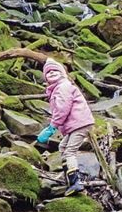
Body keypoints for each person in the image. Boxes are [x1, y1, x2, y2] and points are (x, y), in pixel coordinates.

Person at [37, 57, 96, 196]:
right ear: (45, 78)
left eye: (55, 71)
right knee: (62, 147)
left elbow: (63, 108)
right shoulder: (56, 89)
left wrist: (53, 126)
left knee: (70, 151)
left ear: (62, 74)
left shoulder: (63, 86)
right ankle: (69, 179)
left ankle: (76, 182)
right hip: (74, 124)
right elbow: (60, 109)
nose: (52, 73)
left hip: (80, 123)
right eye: (48, 72)